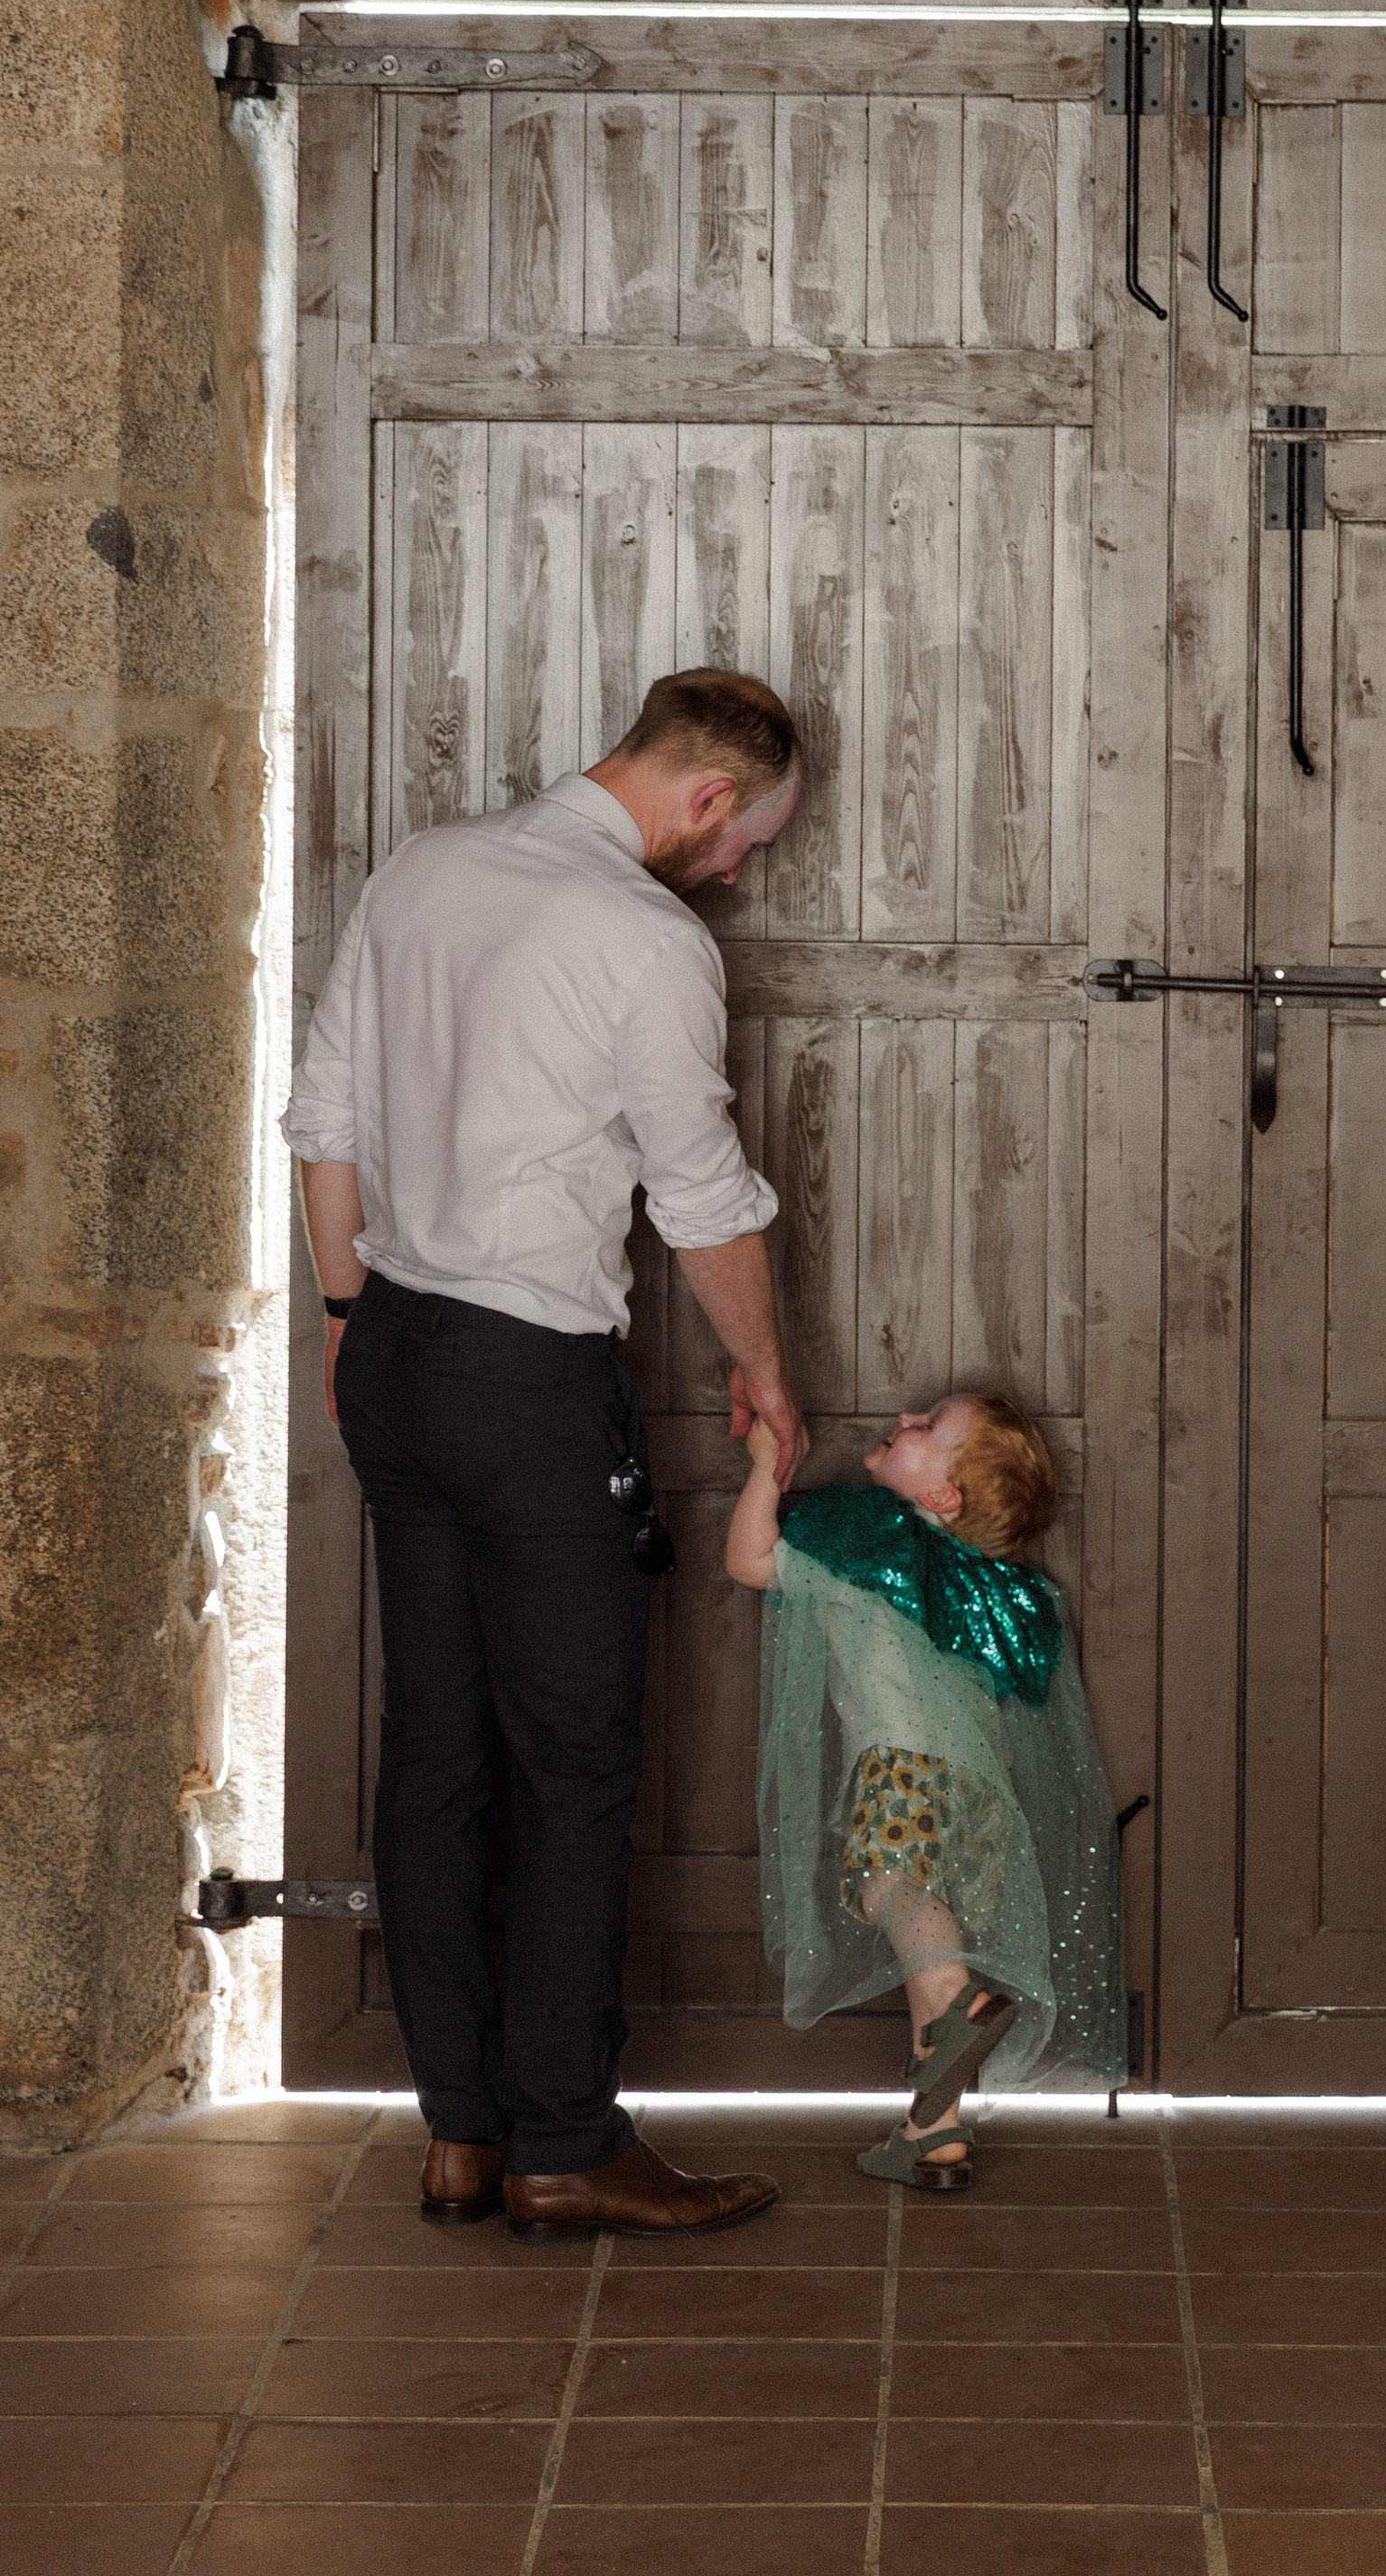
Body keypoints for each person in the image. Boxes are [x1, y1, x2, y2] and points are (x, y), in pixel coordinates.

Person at [282, 668, 811, 2241]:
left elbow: (324, 1113)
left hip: (396, 1350)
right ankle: (566, 2137)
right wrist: (769, 1376)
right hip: (526, 1382)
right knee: (575, 1766)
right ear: (709, 795)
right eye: (746, 842)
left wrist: (341, 1318)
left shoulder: (422, 866)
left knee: (436, 1750)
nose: (736, 872)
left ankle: (461, 2129)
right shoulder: (646, 939)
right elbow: (699, 1193)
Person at [726, 1392, 1125, 2190]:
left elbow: (749, 1560)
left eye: (928, 1426)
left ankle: (961, 2005)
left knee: (888, 1886)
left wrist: (768, 1471)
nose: (905, 1416)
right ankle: (933, 2131)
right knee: (926, 1943)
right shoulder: (994, 1585)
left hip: (901, 1769)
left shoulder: (870, 1545)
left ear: (943, 1497)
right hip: (980, 1796)